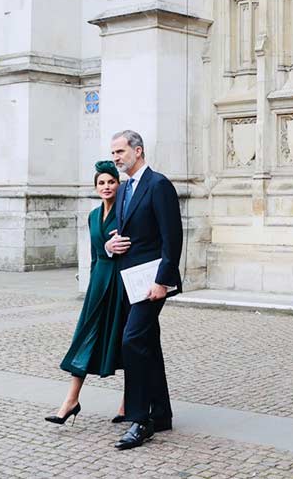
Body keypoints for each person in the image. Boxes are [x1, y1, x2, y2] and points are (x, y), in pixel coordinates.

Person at [106, 130, 183, 450]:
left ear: (138, 151)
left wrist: (163, 281)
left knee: (132, 340)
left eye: (121, 152)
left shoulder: (159, 185)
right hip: (130, 281)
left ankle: (140, 419)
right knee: (147, 343)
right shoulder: (123, 190)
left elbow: (172, 237)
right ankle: (161, 413)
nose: (116, 158)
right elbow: (121, 234)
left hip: (153, 283)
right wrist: (111, 244)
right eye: (113, 154)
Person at [47, 160, 129, 425]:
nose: (106, 187)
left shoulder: (125, 212)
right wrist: (92, 282)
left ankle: (127, 403)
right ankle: (71, 401)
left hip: (120, 283)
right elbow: (96, 254)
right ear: (96, 187)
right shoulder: (93, 216)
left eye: (111, 181)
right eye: (101, 183)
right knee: (84, 338)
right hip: (98, 283)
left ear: (119, 184)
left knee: (122, 340)